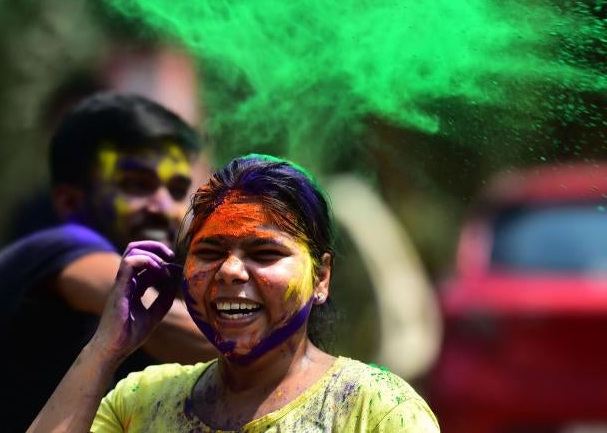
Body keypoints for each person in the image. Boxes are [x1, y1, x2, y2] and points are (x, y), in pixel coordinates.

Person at [28, 154, 440, 432]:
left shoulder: (377, 410)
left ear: (321, 278)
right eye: (209, 251)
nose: (229, 270)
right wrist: (104, 348)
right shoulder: (141, 402)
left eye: (264, 252)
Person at [0, 93, 216, 433]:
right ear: (70, 201)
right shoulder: (60, 245)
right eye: (136, 186)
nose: (164, 207)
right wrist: (267, 330)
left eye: (178, 190)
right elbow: (150, 318)